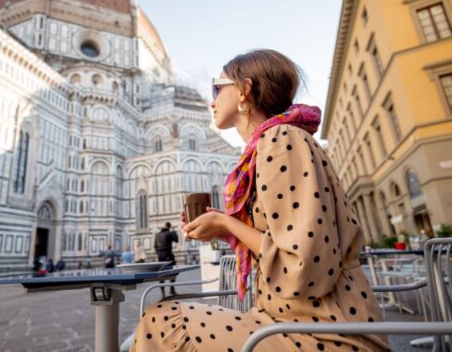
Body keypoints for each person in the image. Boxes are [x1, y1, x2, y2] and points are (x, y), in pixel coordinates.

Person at [131, 50, 388, 351]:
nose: (211, 99)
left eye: (217, 87)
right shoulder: (269, 146)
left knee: (164, 321)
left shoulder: (281, 141)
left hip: (326, 332)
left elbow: (306, 268)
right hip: (288, 322)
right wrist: (224, 229)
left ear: (245, 90)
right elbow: (282, 242)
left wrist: (227, 222)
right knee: (162, 317)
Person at [154, 222, 179, 297]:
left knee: (161, 273)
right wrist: (174, 231)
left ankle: (163, 293)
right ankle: (172, 289)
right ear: (169, 227)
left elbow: (155, 246)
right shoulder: (169, 233)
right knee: (173, 271)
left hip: (160, 256)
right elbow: (176, 240)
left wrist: (158, 253)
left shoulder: (157, 235)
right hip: (168, 254)